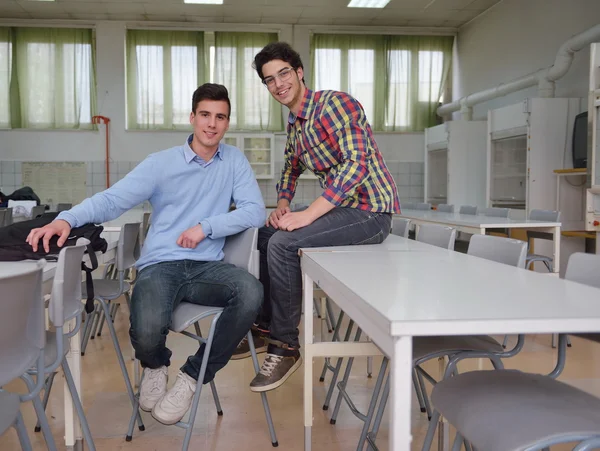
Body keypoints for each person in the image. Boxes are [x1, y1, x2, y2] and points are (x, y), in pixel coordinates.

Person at [26, 83, 266, 425]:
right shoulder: (161, 164)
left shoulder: (234, 162)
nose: (212, 124)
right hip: (161, 266)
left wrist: (205, 227)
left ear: (227, 123)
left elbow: (254, 212)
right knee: (147, 331)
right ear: (192, 118)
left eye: (220, 117)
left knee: (251, 291)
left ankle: (193, 376)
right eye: (205, 115)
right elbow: (112, 200)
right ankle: (155, 366)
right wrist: (66, 218)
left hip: (207, 267)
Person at [234, 42, 400, 392]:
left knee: (281, 243)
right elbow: (290, 168)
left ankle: (285, 346)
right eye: (269, 80)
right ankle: (264, 326)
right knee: (265, 235)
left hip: (372, 212)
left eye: (283, 74)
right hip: (345, 209)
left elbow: (358, 163)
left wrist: (308, 214)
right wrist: (282, 203)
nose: (278, 84)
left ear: (299, 71)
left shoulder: (336, 104)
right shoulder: (296, 123)